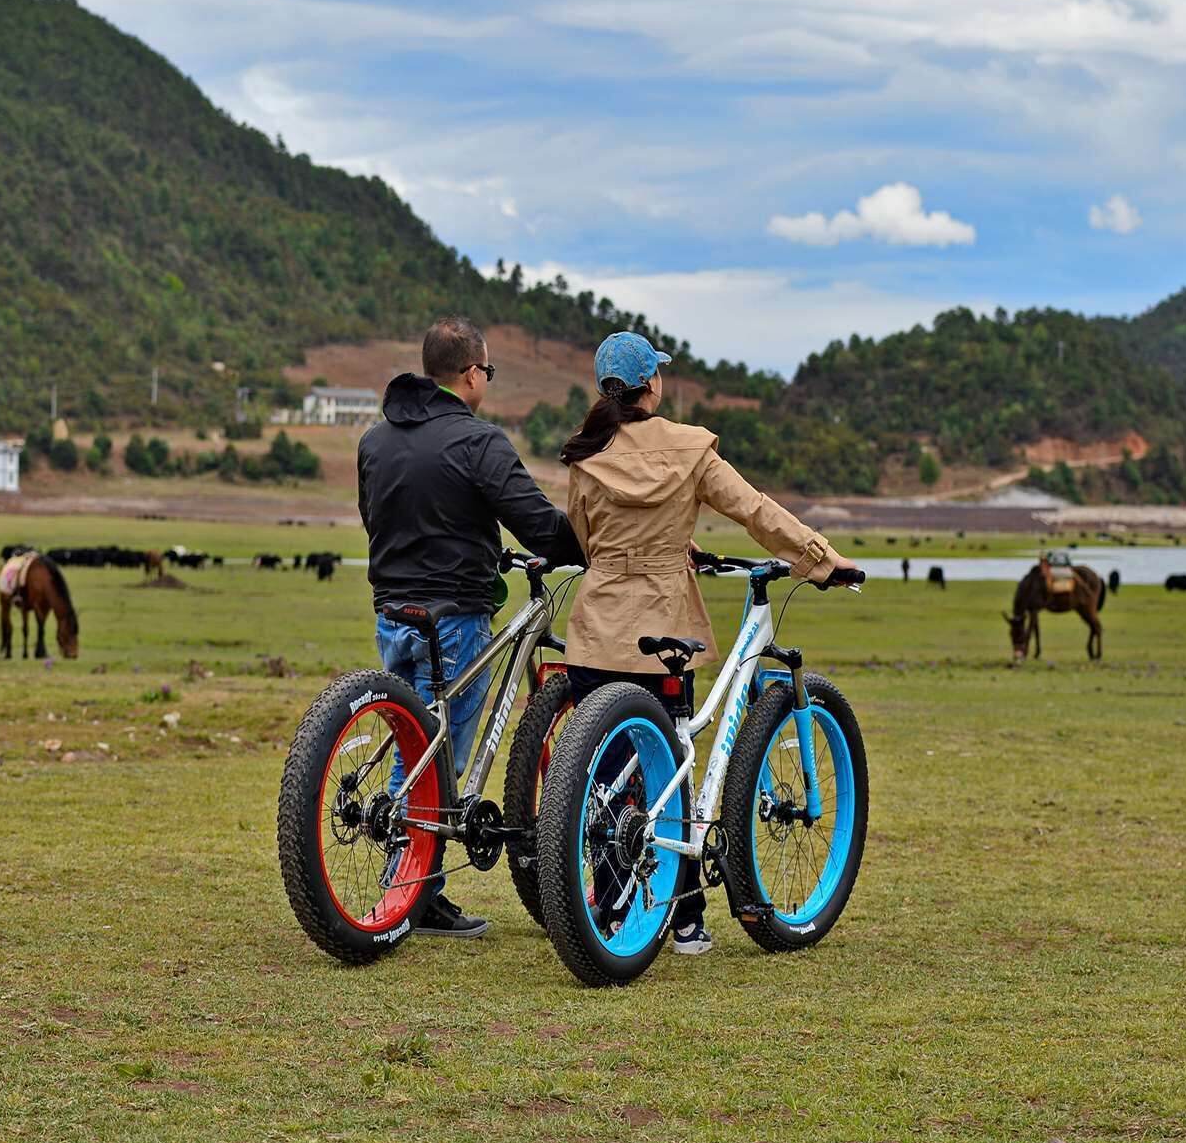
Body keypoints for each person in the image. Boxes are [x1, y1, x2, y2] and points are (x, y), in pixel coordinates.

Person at [558, 331, 858, 955]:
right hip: (663, 627)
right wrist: (821, 560)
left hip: (597, 630)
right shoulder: (690, 448)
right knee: (676, 763)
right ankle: (686, 918)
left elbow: (589, 542)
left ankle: (607, 904)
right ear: (653, 384)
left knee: (606, 773)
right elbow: (756, 511)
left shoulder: (586, 456)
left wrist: (650, 545)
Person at [358, 315, 584, 938]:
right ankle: (412, 893)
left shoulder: (375, 440)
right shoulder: (476, 442)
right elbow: (538, 525)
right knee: (439, 755)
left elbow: (375, 517)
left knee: (414, 740)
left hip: (392, 611)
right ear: (471, 373)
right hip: (454, 614)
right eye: (489, 370)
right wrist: (586, 542)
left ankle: (411, 886)